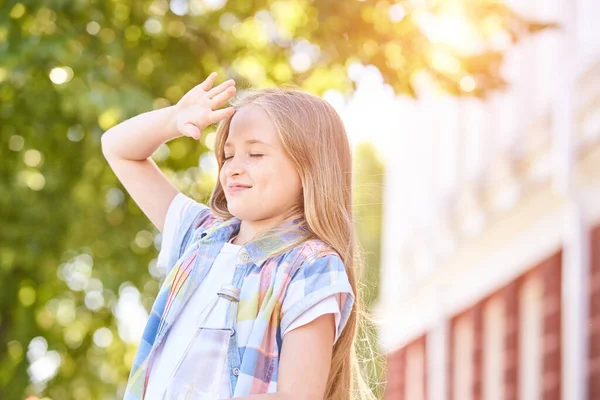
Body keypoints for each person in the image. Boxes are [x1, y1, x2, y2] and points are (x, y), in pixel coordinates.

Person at [101, 73, 374, 400]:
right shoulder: (201, 235)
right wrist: (173, 119)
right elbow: (118, 149)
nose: (232, 168)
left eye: (255, 154)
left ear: (309, 168)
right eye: (228, 155)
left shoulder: (311, 266)